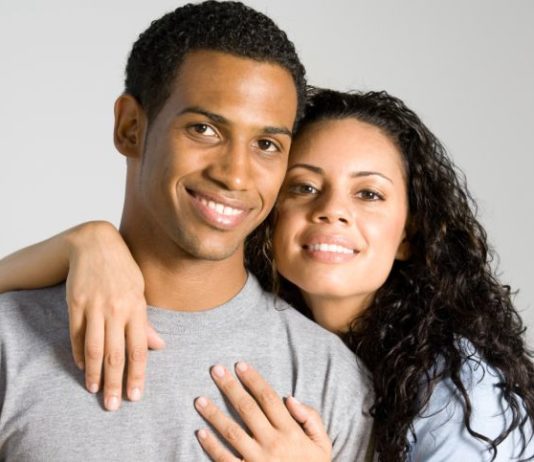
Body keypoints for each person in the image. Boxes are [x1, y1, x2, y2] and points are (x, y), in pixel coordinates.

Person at [4, 88, 534, 462]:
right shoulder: (278, 326)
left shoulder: (457, 395)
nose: (332, 211)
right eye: (303, 187)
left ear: (410, 235)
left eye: (368, 194)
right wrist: (85, 241)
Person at [0, 3, 374, 461]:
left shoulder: (328, 377)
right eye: (204, 129)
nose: (236, 175)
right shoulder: (12, 339)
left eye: (266, 144)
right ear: (131, 128)